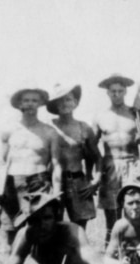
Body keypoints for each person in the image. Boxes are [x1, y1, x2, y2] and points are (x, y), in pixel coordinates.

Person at [0, 88, 62, 247]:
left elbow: (56, 164)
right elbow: (1, 162)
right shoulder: (8, 130)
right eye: (26, 100)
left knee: (40, 227)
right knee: (11, 226)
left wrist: (57, 192)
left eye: (34, 100)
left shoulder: (49, 132)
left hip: (38, 180)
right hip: (12, 181)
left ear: (40, 104)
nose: (30, 104)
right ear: (20, 104)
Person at [93, 73, 140, 245]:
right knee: (113, 212)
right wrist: (96, 173)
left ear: (125, 92)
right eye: (113, 91)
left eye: (120, 91)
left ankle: (138, 249)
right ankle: (112, 250)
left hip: (133, 163)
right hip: (110, 166)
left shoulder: (135, 114)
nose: (116, 94)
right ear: (107, 93)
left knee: (137, 209)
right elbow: (92, 148)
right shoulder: (100, 117)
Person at [46, 84, 100, 229]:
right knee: (52, 224)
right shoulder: (49, 127)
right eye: (60, 101)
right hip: (53, 182)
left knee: (79, 228)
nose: (64, 104)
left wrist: (95, 181)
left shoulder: (84, 128)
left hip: (77, 182)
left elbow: (97, 158)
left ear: (75, 102)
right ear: (55, 105)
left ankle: (77, 251)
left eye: (68, 99)